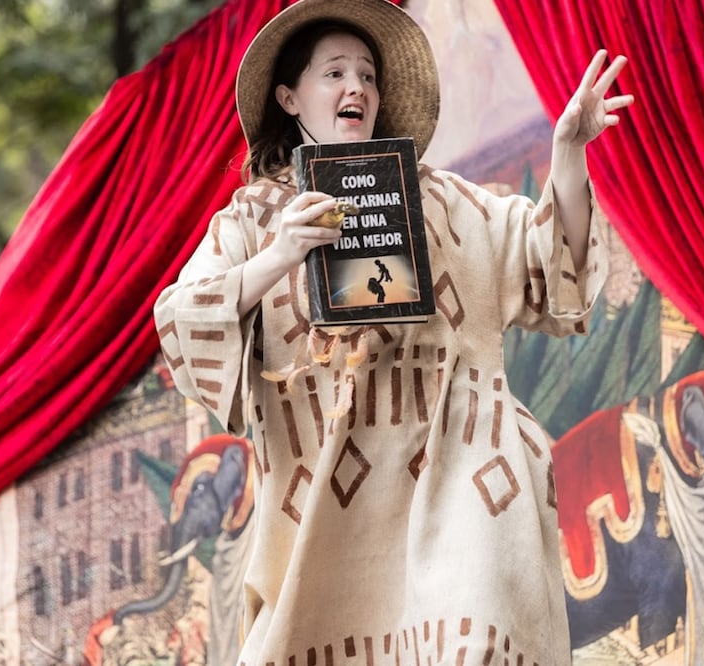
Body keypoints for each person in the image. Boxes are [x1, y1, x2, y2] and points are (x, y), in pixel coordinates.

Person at [153, 0, 634, 663]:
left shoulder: (443, 200)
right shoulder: (250, 218)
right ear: (289, 97)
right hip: (323, 508)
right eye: (335, 73)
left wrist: (568, 153)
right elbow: (181, 319)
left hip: (461, 468)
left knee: (476, 641)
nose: (357, 87)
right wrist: (277, 255)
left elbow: (555, 272)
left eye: (368, 76)